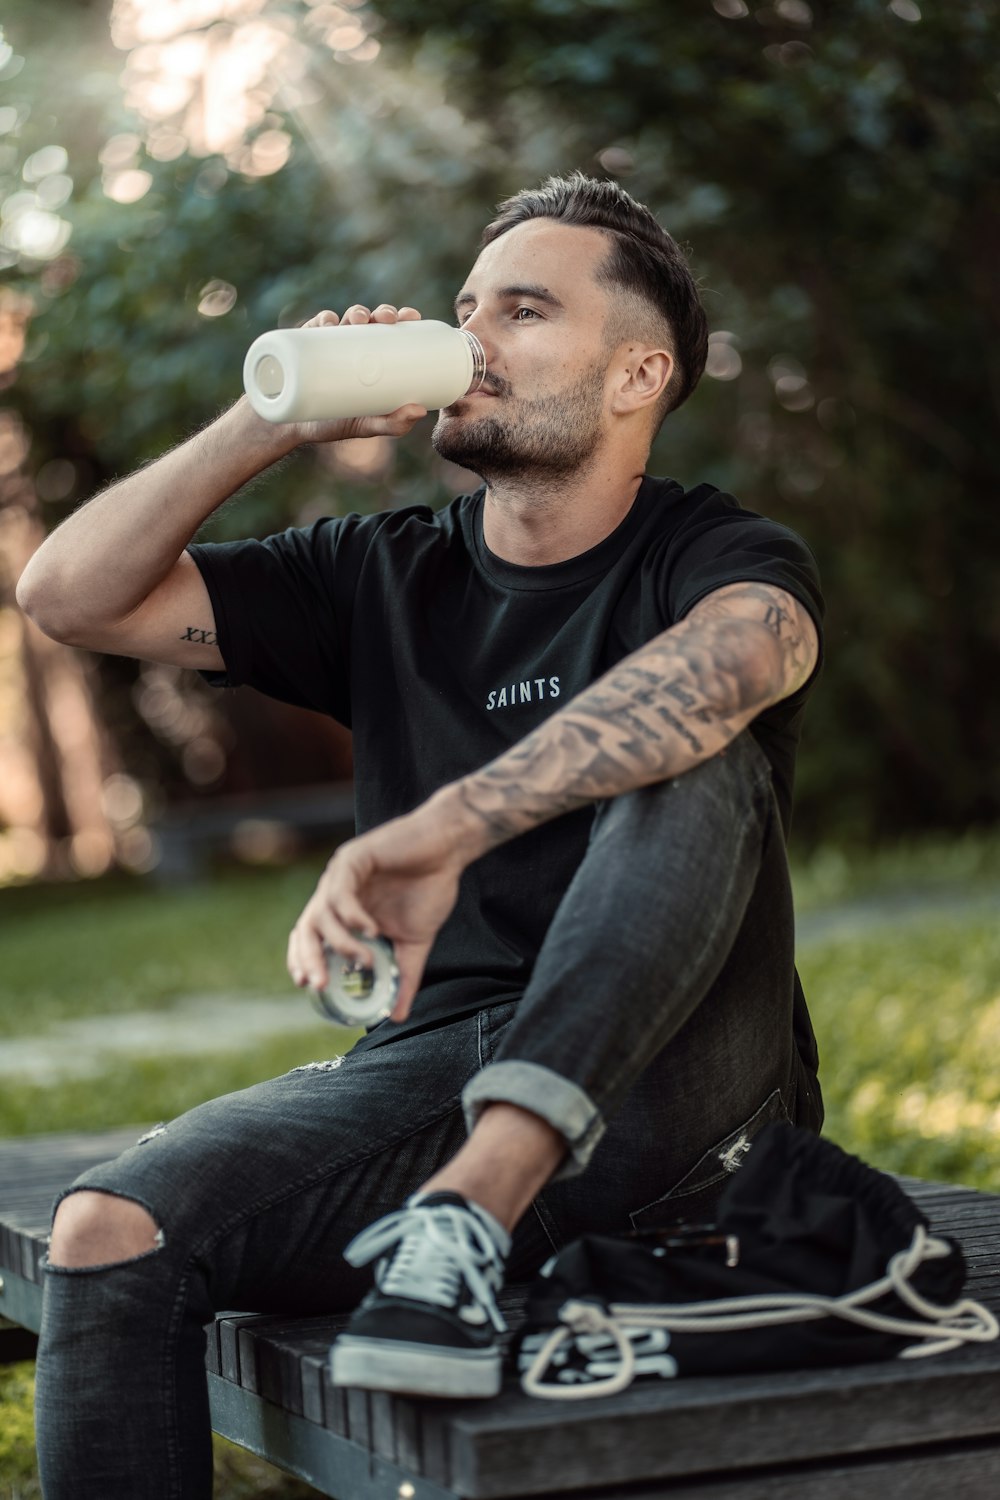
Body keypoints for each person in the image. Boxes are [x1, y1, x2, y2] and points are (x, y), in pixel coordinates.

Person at [17, 172, 823, 1498]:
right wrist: (269, 417)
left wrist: (449, 825)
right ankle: (451, 1222)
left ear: (637, 375)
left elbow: (739, 663)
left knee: (701, 758)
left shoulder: (712, 551)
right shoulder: (385, 570)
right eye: (465, 309)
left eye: (523, 309)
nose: (474, 339)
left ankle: (471, 1207)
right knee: (108, 1229)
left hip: (681, 1084)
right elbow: (68, 595)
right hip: (436, 1063)